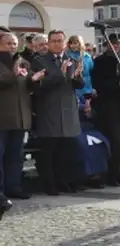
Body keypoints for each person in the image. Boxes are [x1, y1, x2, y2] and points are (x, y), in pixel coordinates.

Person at [31, 29, 85, 195]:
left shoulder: (71, 60)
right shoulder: (39, 61)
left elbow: (78, 85)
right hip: (50, 111)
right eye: (53, 41)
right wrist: (60, 75)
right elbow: (39, 85)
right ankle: (50, 184)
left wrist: (77, 77)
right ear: (48, 43)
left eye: (60, 40)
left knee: (66, 151)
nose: (57, 44)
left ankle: (65, 181)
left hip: (68, 111)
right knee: (50, 152)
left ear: (64, 42)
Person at [0, 32, 44, 200]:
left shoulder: (23, 62)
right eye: (7, 43)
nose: (11, 46)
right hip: (3, 118)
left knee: (16, 156)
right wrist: (13, 74)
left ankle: (14, 187)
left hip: (20, 118)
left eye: (14, 43)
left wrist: (35, 79)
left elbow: (29, 87)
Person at [91, 34, 120, 186]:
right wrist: (117, 84)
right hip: (107, 106)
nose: (116, 48)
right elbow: (99, 84)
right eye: (113, 45)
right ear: (107, 45)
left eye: (118, 45)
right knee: (114, 141)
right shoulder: (100, 62)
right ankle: (109, 175)